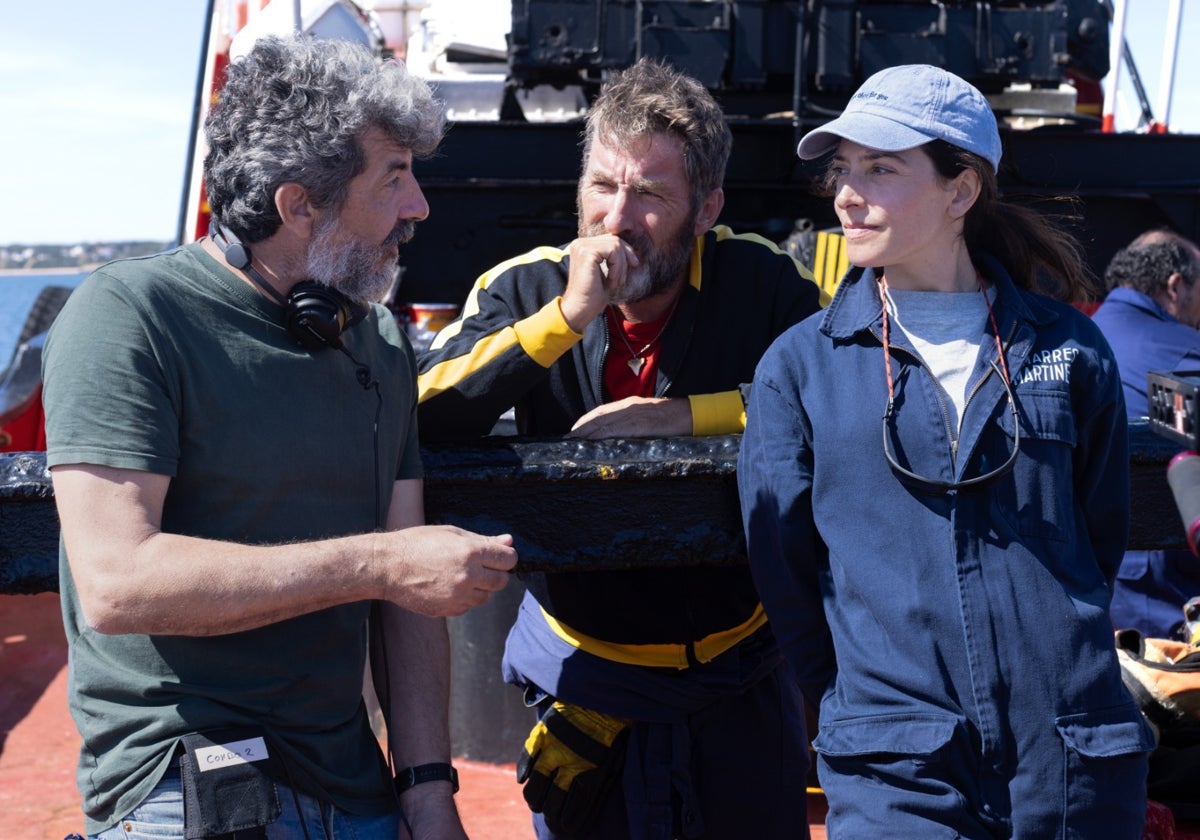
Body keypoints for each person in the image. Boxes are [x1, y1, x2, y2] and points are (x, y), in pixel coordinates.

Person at [41, 34, 517, 840]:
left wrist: (430, 791)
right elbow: (117, 583)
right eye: (394, 178)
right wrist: (377, 563)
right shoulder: (126, 317)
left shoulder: (377, 343)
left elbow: (409, 602)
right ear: (299, 205)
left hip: (354, 784)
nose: (420, 208)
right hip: (181, 783)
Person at [737, 64, 1155, 838]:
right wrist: (861, 702)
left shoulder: (1070, 348)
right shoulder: (800, 368)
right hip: (897, 772)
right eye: (843, 169)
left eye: (881, 168)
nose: (847, 194)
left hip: (1069, 762)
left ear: (961, 190)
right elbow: (786, 572)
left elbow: (1095, 543)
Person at [418, 58, 823, 839]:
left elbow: (830, 402)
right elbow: (422, 411)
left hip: (739, 682)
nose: (615, 218)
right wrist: (563, 320)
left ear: (706, 209)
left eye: (648, 195)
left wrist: (684, 417)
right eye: (602, 186)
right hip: (582, 684)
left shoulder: (764, 283)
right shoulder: (524, 288)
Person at [1092, 229, 1200, 638]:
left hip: (1100, 583)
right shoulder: (1180, 349)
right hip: (1165, 593)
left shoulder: (1082, 335)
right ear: (1176, 286)